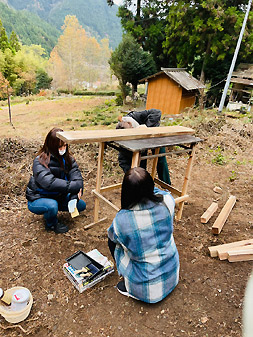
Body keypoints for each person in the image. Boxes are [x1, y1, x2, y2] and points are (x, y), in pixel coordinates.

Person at [107, 167, 179, 303]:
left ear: (126, 192)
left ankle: (128, 282)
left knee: (113, 241)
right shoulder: (168, 201)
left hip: (147, 290)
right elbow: (160, 193)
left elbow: (112, 237)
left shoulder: (122, 220)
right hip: (172, 276)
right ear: (151, 186)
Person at [26, 127, 86, 234]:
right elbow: (49, 183)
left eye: (65, 145)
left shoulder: (69, 159)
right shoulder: (39, 161)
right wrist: (75, 187)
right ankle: (51, 224)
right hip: (38, 197)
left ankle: (53, 209)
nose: (63, 148)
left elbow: (78, 179)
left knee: (80, 205)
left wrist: (74, 197)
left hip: (58, 196)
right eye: (60, 146)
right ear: (52, 146)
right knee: (52, 205)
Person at [116, 108, 171, 185]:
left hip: (155, 137)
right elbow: (122, 160)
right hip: (141, 142)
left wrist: (146, 128)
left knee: (161, 160)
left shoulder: (136, 116)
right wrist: (132, 175)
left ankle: (166, 185)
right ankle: (142, 184)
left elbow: (157, 112)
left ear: (132, 125)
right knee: (140, 164)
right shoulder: (121, 130)